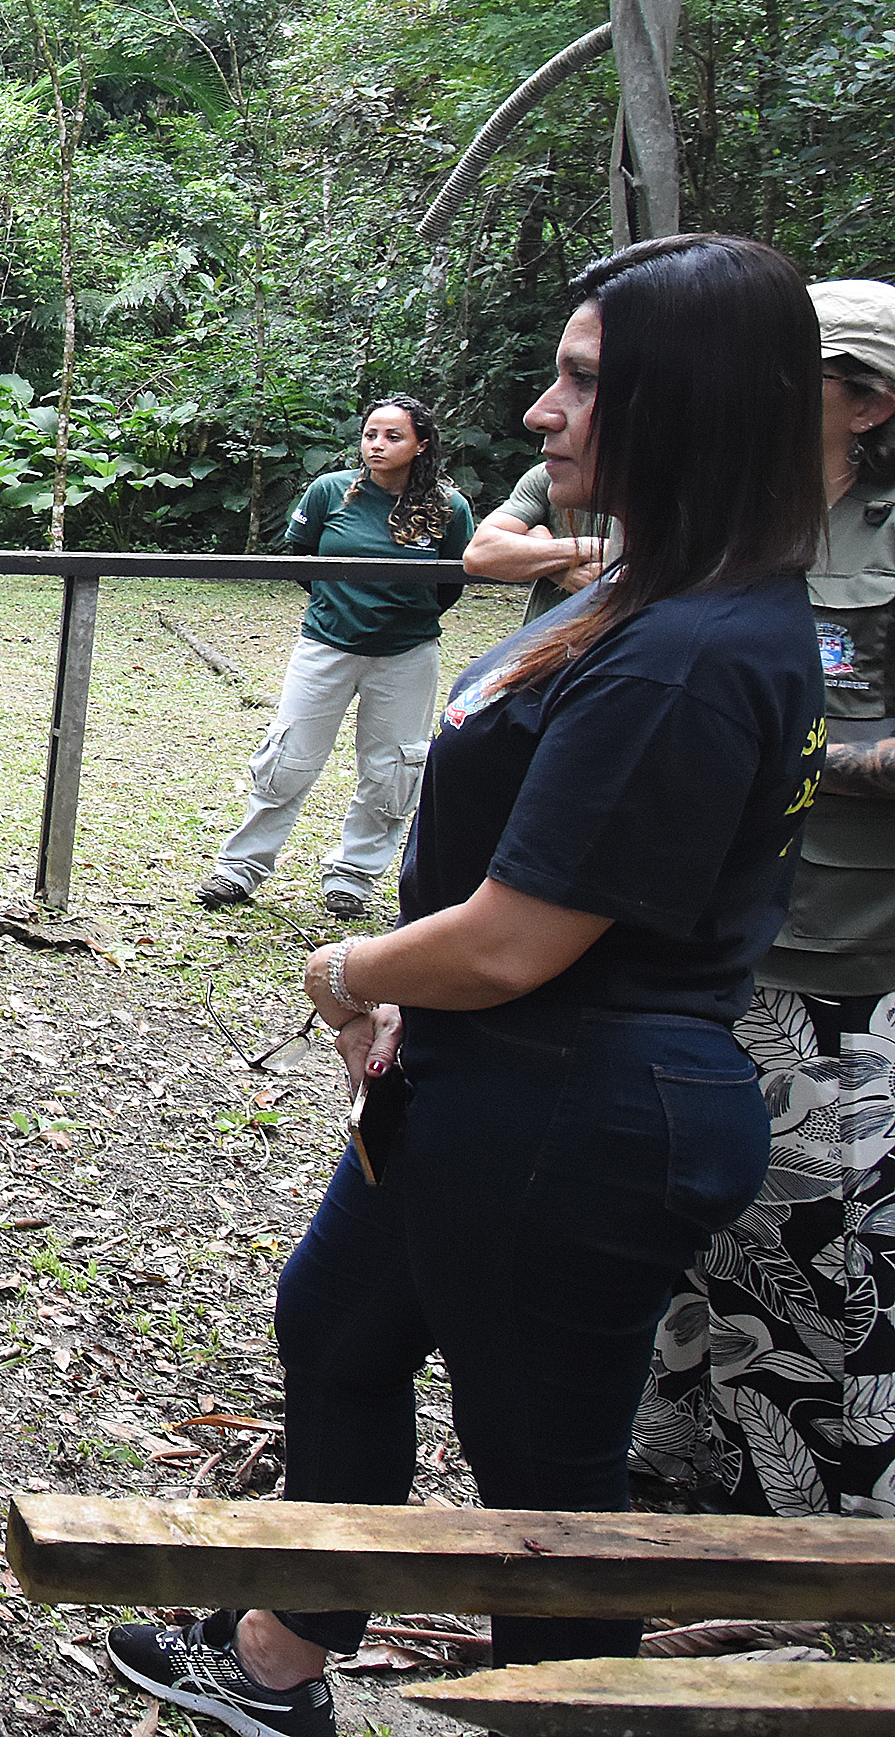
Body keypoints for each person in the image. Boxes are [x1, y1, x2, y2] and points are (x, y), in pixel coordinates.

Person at [110, 233, 827, 1737]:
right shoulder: (647, 587)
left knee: (545, 1488)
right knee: (336, 1324)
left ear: (683, 403)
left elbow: (518, 936)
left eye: (579, 381)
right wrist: (403, 1000)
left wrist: (346, 967)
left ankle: (563, 1715)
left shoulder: (688, 653)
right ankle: (280, 1654)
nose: (537, 414)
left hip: (574, 1112)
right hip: (480, 1080)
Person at [631, 277, 895, 1518]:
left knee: (821, 1244)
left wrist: (784, 756)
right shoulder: (710, 514)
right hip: (695, 935)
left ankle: (814, 1522)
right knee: (689, 1220)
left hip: (845, 948)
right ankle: (669, 1467)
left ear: (867, 402)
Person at [195, 398, 475, 920]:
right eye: (371, 434)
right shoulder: (330, 492)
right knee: (288, 756)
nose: (377, 445)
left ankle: (354, 877)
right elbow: (302, 559)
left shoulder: (447, 507)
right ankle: (240, 868)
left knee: (393, 768)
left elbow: (449, 582)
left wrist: (397, 616)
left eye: (393, 436)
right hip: (325, 644)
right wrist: (338, 606)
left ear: (422, 444)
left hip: (407, 654)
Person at [465, 459, 618, 621]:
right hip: (542, 640)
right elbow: (479, 554)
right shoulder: (548, 476)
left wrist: (540, 550)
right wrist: (591, 549)